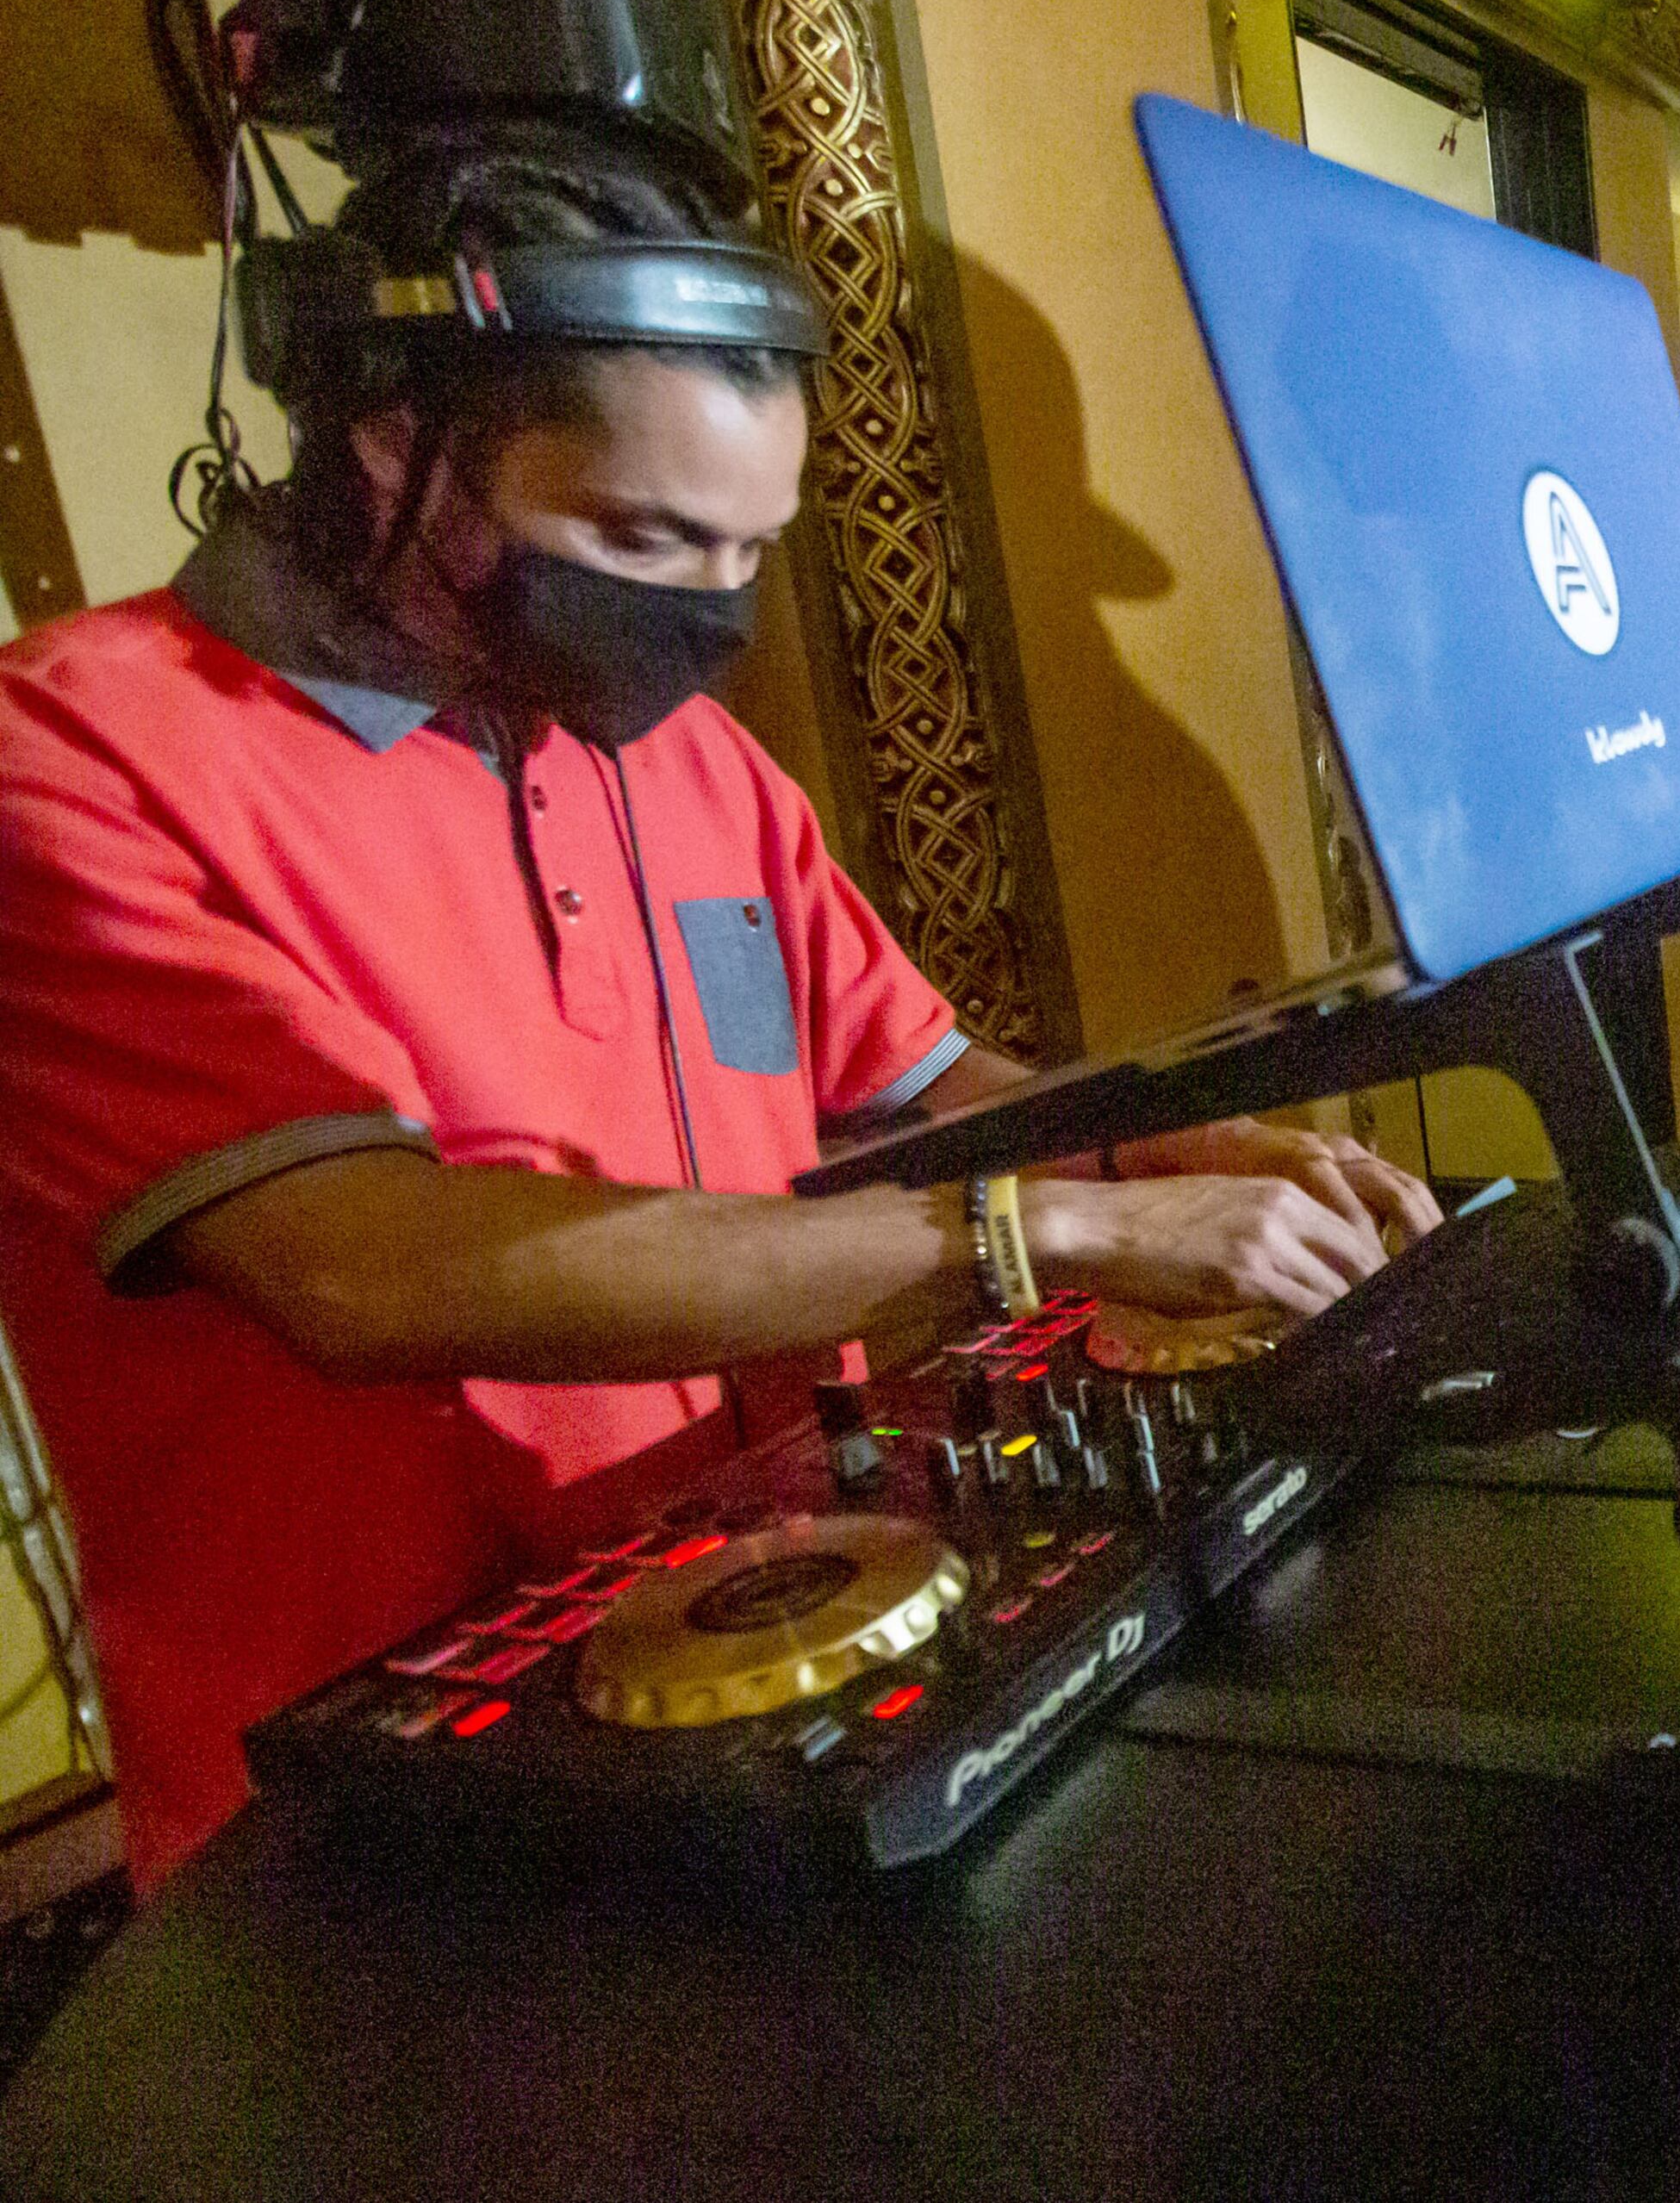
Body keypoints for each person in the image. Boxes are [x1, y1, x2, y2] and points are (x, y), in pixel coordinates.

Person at [0, 122, 1439, 1884]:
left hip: (770, 1689)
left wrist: (1191, 1149)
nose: (711, 616)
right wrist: (1036, 1229)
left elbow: (919, 1080)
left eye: (746, 551)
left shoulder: (692, 762)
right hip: (358, 1848)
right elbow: (360, 1262)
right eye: (649, 537)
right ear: (396, 437)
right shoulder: (73, 754)